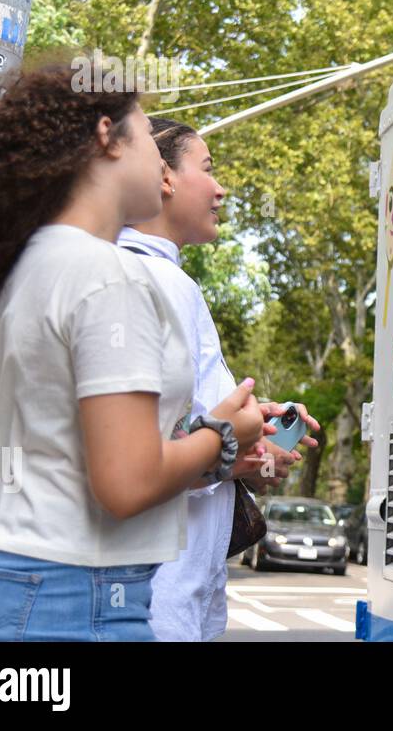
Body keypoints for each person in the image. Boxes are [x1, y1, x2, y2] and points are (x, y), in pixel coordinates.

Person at [0, 63, 265, 641]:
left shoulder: (27, 264)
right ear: (107, 137)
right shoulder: (108, 277)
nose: (160, 165)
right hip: (61, 595)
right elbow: (126, 481)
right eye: (146, 135)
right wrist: (224, 434)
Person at [119, 118, 320, 642]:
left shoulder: (167, 280)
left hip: (175, 592)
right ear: (163, 177)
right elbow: (133, 454)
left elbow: (179, 427)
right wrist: (231, 446)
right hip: (152, 599)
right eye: (206, 170)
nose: (220, 187)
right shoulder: (148, 279)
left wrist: (250, 445)